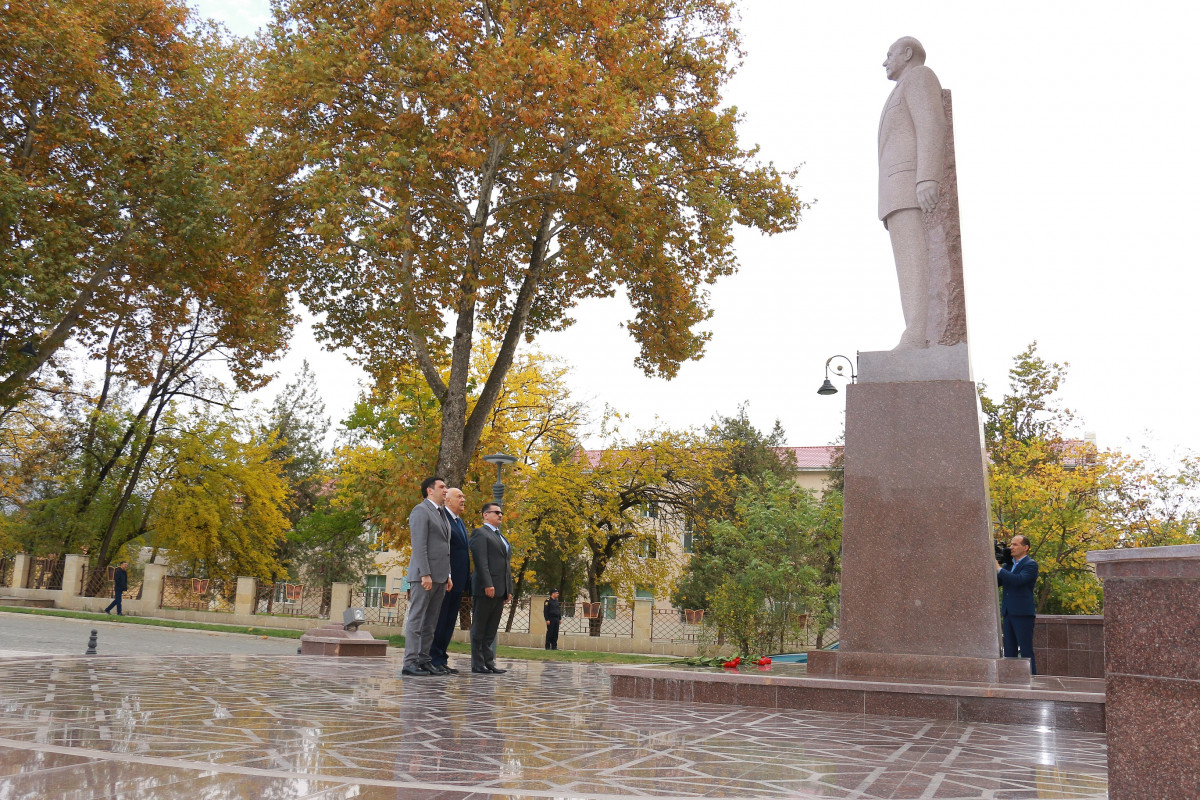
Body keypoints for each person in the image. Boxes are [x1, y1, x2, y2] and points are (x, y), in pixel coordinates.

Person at [879, 36, 947, 350]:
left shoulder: (920, 76)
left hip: (910, 185)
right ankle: (914, 331)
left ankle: (917, 334)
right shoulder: (901, 86)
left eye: (889, 54)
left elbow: (931, 123)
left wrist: (926, 178)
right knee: (907, 264)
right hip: (897, 191)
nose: (884, 61)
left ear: (907, 53)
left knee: (914, 262)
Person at [402, 476, 453, 677]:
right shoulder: (420, 511)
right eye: (441, 487)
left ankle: (424, 660)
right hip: (424, 577)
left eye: (446, 486)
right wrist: (425, 573)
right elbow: (419, 545)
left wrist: (448, 574)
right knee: (417, 620)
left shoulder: (442, 514)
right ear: (429, 491)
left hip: (440, 577)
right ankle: (410, 662)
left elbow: (444, 548)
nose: (445, 490)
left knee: (431, 623)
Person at [429, 487, 471, 675]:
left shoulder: (459, 522)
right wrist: (447, 575)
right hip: (446, 579)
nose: (463, 499)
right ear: (447, 499)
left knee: (448, 622)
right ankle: (433, 658)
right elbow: (441, 550)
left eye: (463, 496)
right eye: (459, 496)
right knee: (440, 620)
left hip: (458, 582)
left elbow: (463, 553)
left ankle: (441, 658)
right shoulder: (442, 519)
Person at [468, 503, 512, 674]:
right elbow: (481, 561)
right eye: (496, 512)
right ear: (485, 515)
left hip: (500, 590)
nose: (500, 515)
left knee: (491, 629)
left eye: (501, 512)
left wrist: (509, 589)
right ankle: (477, 663)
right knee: (479, 628)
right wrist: (488, 584)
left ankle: (489, 662)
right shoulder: (480, 533)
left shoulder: (501, 537)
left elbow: (506, 565)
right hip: (486, 588)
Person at [996, 534, 1039, 675]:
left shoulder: (1030, 564)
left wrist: (999, 569)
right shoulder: (1009, 565)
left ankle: (1032, 680)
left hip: (1022, 613)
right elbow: (998, 582)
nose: (1011, 547)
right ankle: (1011, 680)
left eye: (1015, 544)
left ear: (1025, 548)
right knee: (1009, 651)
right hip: (1008, 613)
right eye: (1011, 544)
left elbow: (1019, 580)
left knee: (1026, 650)